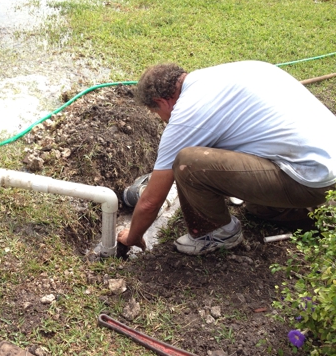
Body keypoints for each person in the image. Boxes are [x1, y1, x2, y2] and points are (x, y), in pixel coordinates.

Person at [117, 60, 336, 255]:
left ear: (162, 101)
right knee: (257, 208)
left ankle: (216, 233)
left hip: (311, 180)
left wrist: (132, 236)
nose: (163, 120)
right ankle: (307, 213)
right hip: (326, 162)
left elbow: (150, 202)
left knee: (187, 162)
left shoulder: (187, 114)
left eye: (157, 114)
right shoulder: (226, 74)